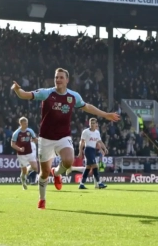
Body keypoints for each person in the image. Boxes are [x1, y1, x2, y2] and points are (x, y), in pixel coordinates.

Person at [11, 67, 120, 209]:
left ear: (67, 80)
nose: (58, 80)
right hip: (45, 138)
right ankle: (42, 199)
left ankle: (56, 173)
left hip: (63, 136)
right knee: (43, 172)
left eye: (61, 77)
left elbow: (87, 107)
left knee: (69, 160)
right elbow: (25, 95)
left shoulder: (73, 96)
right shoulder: (47, 93)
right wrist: (17, 90)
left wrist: (105, 115)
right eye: (56, 77)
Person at [77, 118, 107, 189]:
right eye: (91, 123)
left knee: (88, 167)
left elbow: (99, 141)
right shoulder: (85, 132)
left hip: (93, 150)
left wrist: (104, 148)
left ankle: (81, 184)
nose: (92, 124)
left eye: (94, 123)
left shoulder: (97, 132)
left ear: (96, 124)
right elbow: (81, 142)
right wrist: (80, 151)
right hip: (88, 149)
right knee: (95, 166)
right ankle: (99, 183)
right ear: (89, 124)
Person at [11, 117, 38, 190]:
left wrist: (38, 140)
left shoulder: (30, 131)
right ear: (21, 124)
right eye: (25, 123)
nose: (26, 124)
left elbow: (35, 139)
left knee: (35, 167)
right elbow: (12, 144)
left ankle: (27, 170)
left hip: (30, 152)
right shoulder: (16, 133)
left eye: (27, 123)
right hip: (21, 154)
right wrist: (19, 149)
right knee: (24, 171)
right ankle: (23, 183)